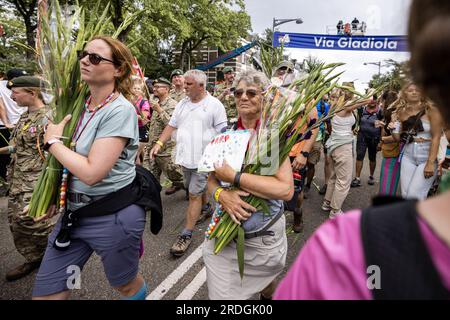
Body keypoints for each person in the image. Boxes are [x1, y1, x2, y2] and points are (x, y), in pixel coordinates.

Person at [274, 0, 450, 300]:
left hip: (373, 150)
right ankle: (327, 205)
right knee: (400, 193)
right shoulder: (341, 250)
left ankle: (329, 205)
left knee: (380, 188)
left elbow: (431, 135)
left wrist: (431, 157)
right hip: (369, 150)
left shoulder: (342, 248)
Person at [32, 36, 149, 300]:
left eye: (95, 58)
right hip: (74, 216)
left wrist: (52, 142)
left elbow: (92, 173)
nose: (85, 60)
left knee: (125, 286)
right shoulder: (77, 104)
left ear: (118, 70)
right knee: (51, 292)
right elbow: (67, 161)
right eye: (83, 55)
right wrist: (54, 195)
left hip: (113, 216)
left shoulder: (120, 110)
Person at [203, 69, 294, 300]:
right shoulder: (226, 134)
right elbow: (211, 180)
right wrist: (221, 195)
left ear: (264, 96)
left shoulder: (271, 136)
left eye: (251, 93)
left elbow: (285, 190)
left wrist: (234, 177)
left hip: (261, 238)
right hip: (222, 236)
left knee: (266, 285)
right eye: (238, 92)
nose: (243, 97)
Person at [150, 69, 227, 257]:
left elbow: (223, 132)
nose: (184, 87)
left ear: (201, 86)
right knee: (190, 187)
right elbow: (172, 124)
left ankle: (186, 234)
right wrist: (160, 143)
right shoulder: (183, 104)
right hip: (185, 157)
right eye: (184, 83)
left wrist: (218, 158)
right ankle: (207, 208)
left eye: (188, 84)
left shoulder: (214, 105)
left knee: (193, 194)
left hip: (203, 159)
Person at [0, 76, 54, 281]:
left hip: (36, 181)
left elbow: (55, 153)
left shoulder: (49, 117)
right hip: (17, 178)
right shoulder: (24, 117)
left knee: (34, 222)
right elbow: (19, 146)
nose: (12, 97)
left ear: (32, 93)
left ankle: (54, 255)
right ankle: (34, 257)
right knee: (15, 221)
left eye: (16, 92)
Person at [322, 84, 370, 218]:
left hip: (334, 144)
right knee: (344, 180)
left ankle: (327, 202)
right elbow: (367, 100)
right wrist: (367, 94)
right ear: (351, 93)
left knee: (334, 176)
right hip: (342, 146)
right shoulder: (346, 105)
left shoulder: (334, 104)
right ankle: (335, 211)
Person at [392, 82, 442, 200]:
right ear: (405, 94)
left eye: (417, 90)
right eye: (410, 90)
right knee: (405, 195)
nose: (414, 92)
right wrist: (392, 128)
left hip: (427, 157)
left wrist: (430, 163)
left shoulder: (432, 110)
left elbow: (436, 137)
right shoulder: (401, 112)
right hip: (407, 156)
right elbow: (398, 138)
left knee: (415, 196)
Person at [146, 77, 184, 195]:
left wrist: (159, 110)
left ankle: (192, 189)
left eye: (158, 87)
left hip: (166, 149)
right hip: (152, 146)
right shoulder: (156, 103)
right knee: (149, 176)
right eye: (154, 87)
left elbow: (172, 125)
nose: (154, 89)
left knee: (177, 177)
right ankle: (151, 200)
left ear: (166, 89)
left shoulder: (173, 104)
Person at [0, 69, 27, 183]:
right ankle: (6, 181)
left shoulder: (24, 86)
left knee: (21, 150)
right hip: (6, 126)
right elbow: (1, 106)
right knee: (6, 157)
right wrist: (6, 123)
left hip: (23, 123)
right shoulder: (2, 87)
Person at [351, 96, 383, 187]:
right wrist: (355, 128)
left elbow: (383, 127)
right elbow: (357, 120)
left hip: (374, 138)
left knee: (372, 157)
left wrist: (381, 141)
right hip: (362, 137)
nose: (372, 101)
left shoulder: (380, 111)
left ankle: (371, 176)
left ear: (377, 100)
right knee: (359, 156)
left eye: (374, 99)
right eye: (370, 98)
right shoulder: (362, 110)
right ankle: (357, 178)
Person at [304, 96, 330, 197]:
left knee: (311, 163)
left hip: (317, 138)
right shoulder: (304, 99)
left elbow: (327, 121)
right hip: (301, 137)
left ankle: (308, 186)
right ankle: (297, 185)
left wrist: (330, 136)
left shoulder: (324, 105)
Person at [378, 90, 401, 196]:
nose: (381, 103)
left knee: (388, 182)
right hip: (389, 152)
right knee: (386, 181)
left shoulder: (396, 114)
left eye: (382, 100)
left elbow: (399, 136)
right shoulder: (388, 114)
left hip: (394, 153)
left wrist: (383, 140)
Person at [131, 77, 152, 164]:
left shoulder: (144, 102)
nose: (136, 90)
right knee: (133, 155)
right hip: (131, 129)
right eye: (134, 88)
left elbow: (144, 118)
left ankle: (139, 173)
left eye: (138, 88)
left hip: (141, 130)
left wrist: (129, 114)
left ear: (142, 91)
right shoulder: (129, 100)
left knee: (135, 154)